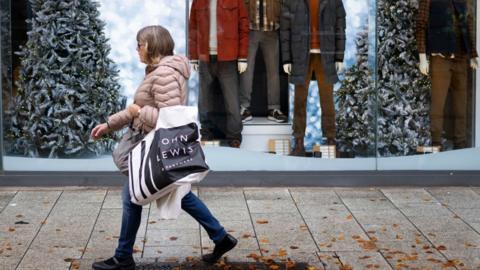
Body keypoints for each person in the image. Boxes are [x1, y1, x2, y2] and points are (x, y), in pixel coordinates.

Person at [90, 25, 237, 270]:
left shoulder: (164, 74)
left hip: (154, 149)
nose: (137, 49)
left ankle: (123, 257)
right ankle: (220, 237)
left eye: (140, 44)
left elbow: (169, 118)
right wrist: (109, 125)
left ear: (151, 46)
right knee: (172, 194)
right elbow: (136, 108)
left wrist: (139, 112)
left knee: (136, 197)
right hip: (152, 147)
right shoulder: (156, 71)